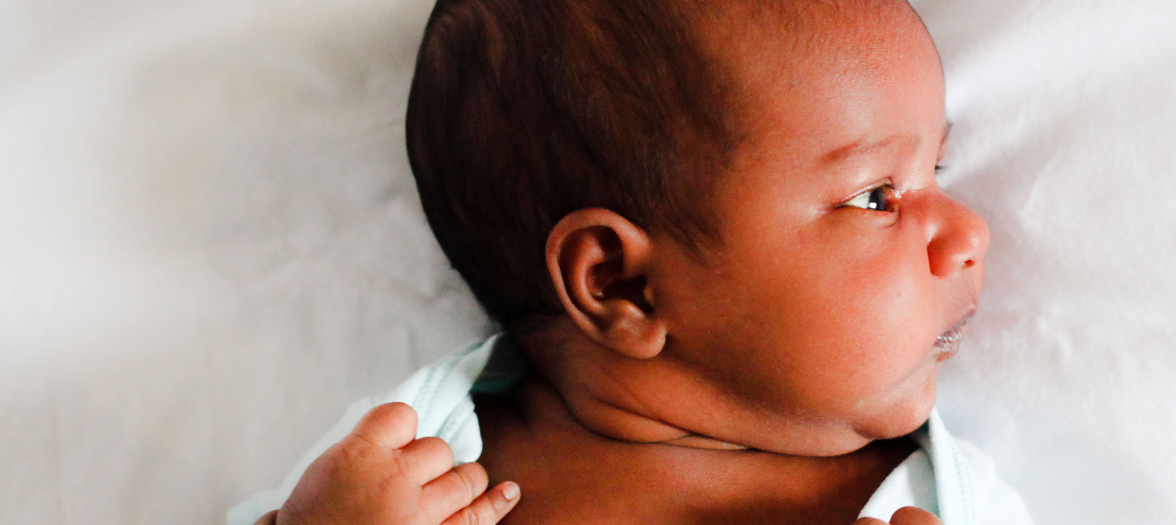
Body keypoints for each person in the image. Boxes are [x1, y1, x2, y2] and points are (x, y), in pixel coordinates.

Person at [231, 0, 1033, 522]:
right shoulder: (408, 463)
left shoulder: (943, 506)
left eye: (940, 171)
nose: (966, 231)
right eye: (875, 196)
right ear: (621, 284)